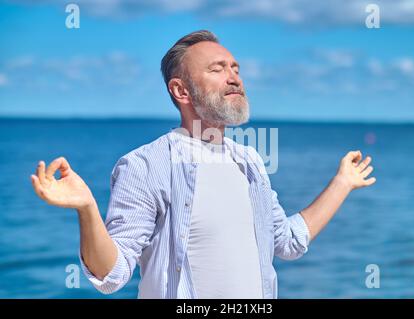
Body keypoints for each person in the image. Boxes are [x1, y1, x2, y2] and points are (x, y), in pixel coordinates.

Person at [30, 30, 376, 299]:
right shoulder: (145, 165)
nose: (234, 77)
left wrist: (342, 182)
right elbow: (112, 275)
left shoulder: (250, 161)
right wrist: (87, 209)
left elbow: (286, 241)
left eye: (235, 68)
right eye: (217, 69)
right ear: (181, 91)